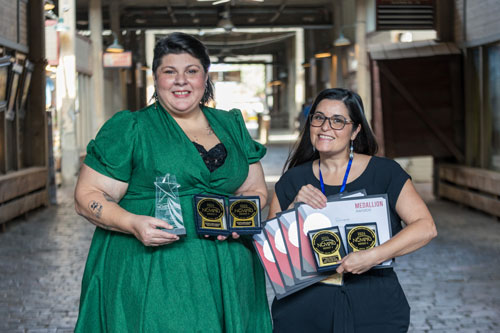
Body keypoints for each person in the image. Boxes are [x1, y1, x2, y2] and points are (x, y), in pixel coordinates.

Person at [74, 32, 272, 332]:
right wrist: (132, 223)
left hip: (228, 273)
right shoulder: (133, 128)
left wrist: (239, 218)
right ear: (156, 78)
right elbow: (87, 195)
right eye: (170, 72)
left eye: (191, 71)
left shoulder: (230, 124)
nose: (181, 81)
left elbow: (255, 189)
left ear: (205, 77)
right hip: (155, 271)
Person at [267, 88, 437, 332]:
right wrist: (293, 209)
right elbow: (273, 255)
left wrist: (373, 256)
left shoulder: (385, 173)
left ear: (355, 130)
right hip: (304, 309)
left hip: (373, 304)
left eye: (338, 121)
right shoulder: (292, 181)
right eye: (319, 118)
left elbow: (425, 227)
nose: (325, 127)